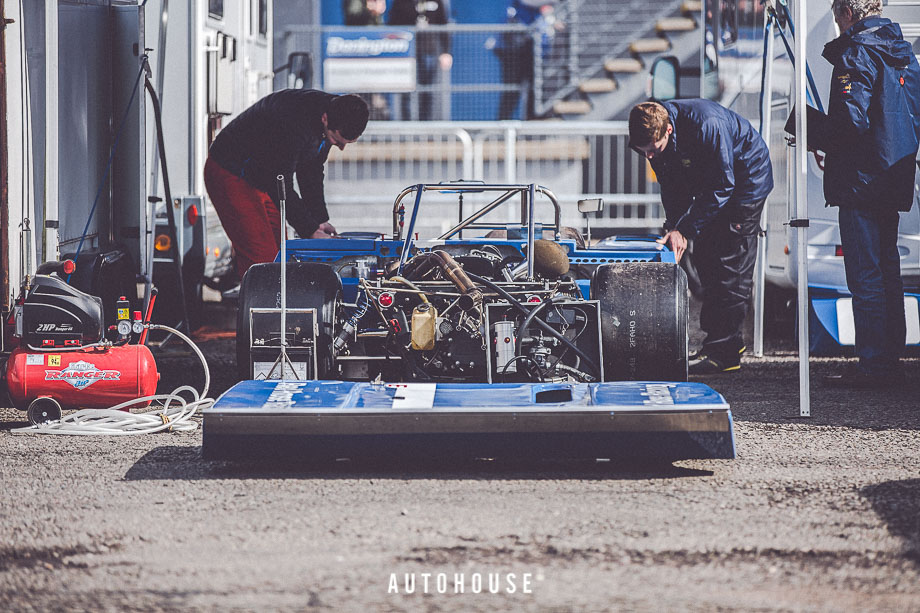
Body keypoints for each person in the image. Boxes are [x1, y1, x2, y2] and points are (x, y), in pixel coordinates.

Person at [628, 99, 773, 374]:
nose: (648, 156)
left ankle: (724, 353)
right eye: (642, 151)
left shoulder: (707, 125)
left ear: (668, 130)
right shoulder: (655, 142)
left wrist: (685, 229)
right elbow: (672, 186)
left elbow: (723, 183)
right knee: (707, 258)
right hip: (713, 186)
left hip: (745, 183)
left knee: (730, 266)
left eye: (652, 150)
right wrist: (675, 227)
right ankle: (723, 341)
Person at [818, 0, 920, 388]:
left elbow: (850, 119)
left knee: (865, 275)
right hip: (892, 179)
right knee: (888, 271)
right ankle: (890, 358)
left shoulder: (857, 51)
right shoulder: (903, 52)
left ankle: (875, 364)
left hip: (860, 180)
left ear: (847, 12)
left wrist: (817, 134)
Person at [204, 90, 369, 280]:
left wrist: (319, 220)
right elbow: (279, 181)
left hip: (260, 178)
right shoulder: (292, 121)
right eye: (337, 141)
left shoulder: (334, 113)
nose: (341, 148)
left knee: (280, 252)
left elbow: (312, 171)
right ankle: (258, 303)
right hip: (231, 172)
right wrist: (309, 229)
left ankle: (275, 303)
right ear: (325, 119)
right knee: (262, 258)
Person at [387, 0, 453, 120]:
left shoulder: (438, 2)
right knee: (408, 91)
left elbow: (444, 25)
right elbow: (393, 23)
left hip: (430, 51)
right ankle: (408, 126)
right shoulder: (401, 2)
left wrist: (446, 52)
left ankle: (426, 126)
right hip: (408, 54)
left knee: (428, 90)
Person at [495, 0, 560, 120]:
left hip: (534, 50)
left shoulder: (541, 14)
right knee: (512, 90)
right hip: (515, 49)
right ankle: (502, 126)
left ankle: (532, 121)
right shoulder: (519, 8)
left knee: (534, 88)